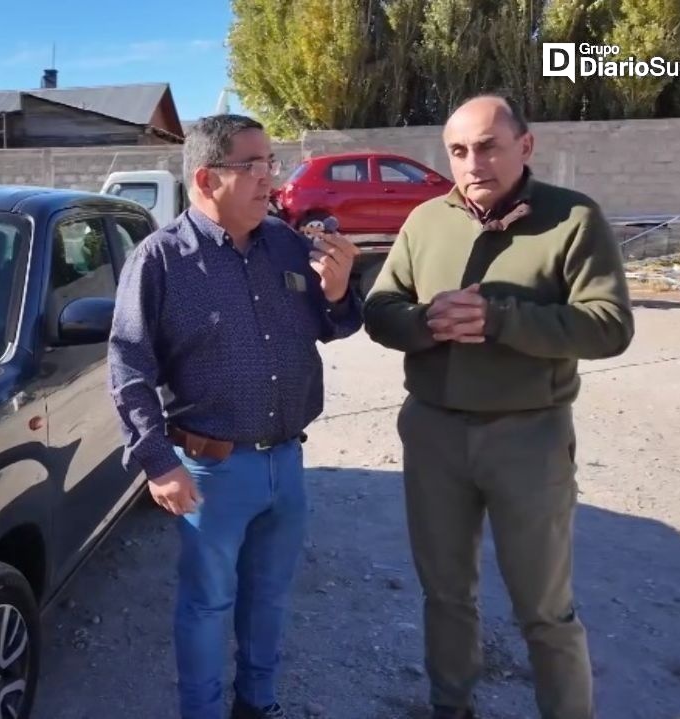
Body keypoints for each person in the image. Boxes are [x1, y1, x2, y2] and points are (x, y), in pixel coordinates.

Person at [363, 94, 635, 719]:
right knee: (446, 594)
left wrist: (499, 319)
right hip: (433, 434)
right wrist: (427, 323)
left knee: (544, 608)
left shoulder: (574, 219)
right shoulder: (426, 221)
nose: (473, 163)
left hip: (528, 437)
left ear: (525, 146)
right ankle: (451, 708)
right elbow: (380, 310)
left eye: (488, 146)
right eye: (458, 150)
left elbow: (608, 327)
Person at [107, 114, 363, 719]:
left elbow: (337, 326)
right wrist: (157, 462)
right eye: (253, 166)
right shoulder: (161, 260)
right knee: (208, 605)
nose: (268, 178)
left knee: (269, 598)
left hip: (287, 461)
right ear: (206, 176)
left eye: (269, 163)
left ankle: (258, 703)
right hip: (212, 470)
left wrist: (339, 289)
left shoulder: (285, 242)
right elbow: (128, 367)